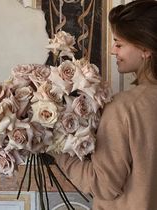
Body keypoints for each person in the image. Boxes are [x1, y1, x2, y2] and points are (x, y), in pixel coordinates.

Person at [53, 0, 157, 209]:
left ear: (145, 49)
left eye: (119, 44)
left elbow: (103, 185)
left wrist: (56, 148)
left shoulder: (124, 108)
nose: (112, 50)